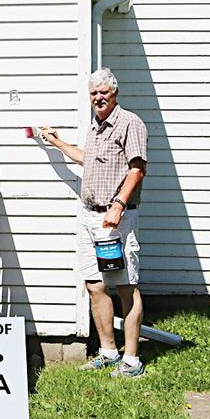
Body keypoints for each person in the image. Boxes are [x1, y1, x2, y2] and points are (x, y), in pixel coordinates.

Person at [38, 68, 148, 378]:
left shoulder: (130, 123)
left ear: (115, 93)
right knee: (96, 285)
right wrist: (58, 143)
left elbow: (137, 169)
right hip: (90, 217)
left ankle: (131, 361)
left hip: (116, 219)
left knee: (126, 286)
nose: (98, 97)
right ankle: (109, 352)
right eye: (93, 93)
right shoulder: (95, 127)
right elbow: (87, 158)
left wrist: (118, 205)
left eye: (104, 92)